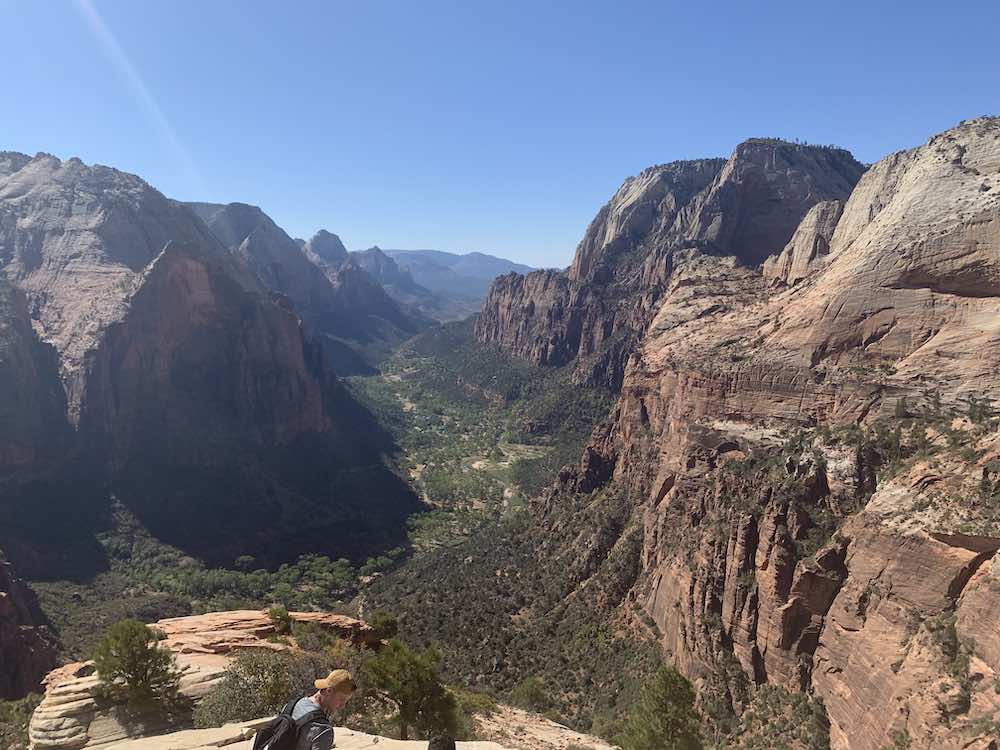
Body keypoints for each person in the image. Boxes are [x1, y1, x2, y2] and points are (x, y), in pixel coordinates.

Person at [290, 669, 356, 750]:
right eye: (341, 699)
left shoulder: (293, 705)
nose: (342, 706)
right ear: (329, 691)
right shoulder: (323, 729)